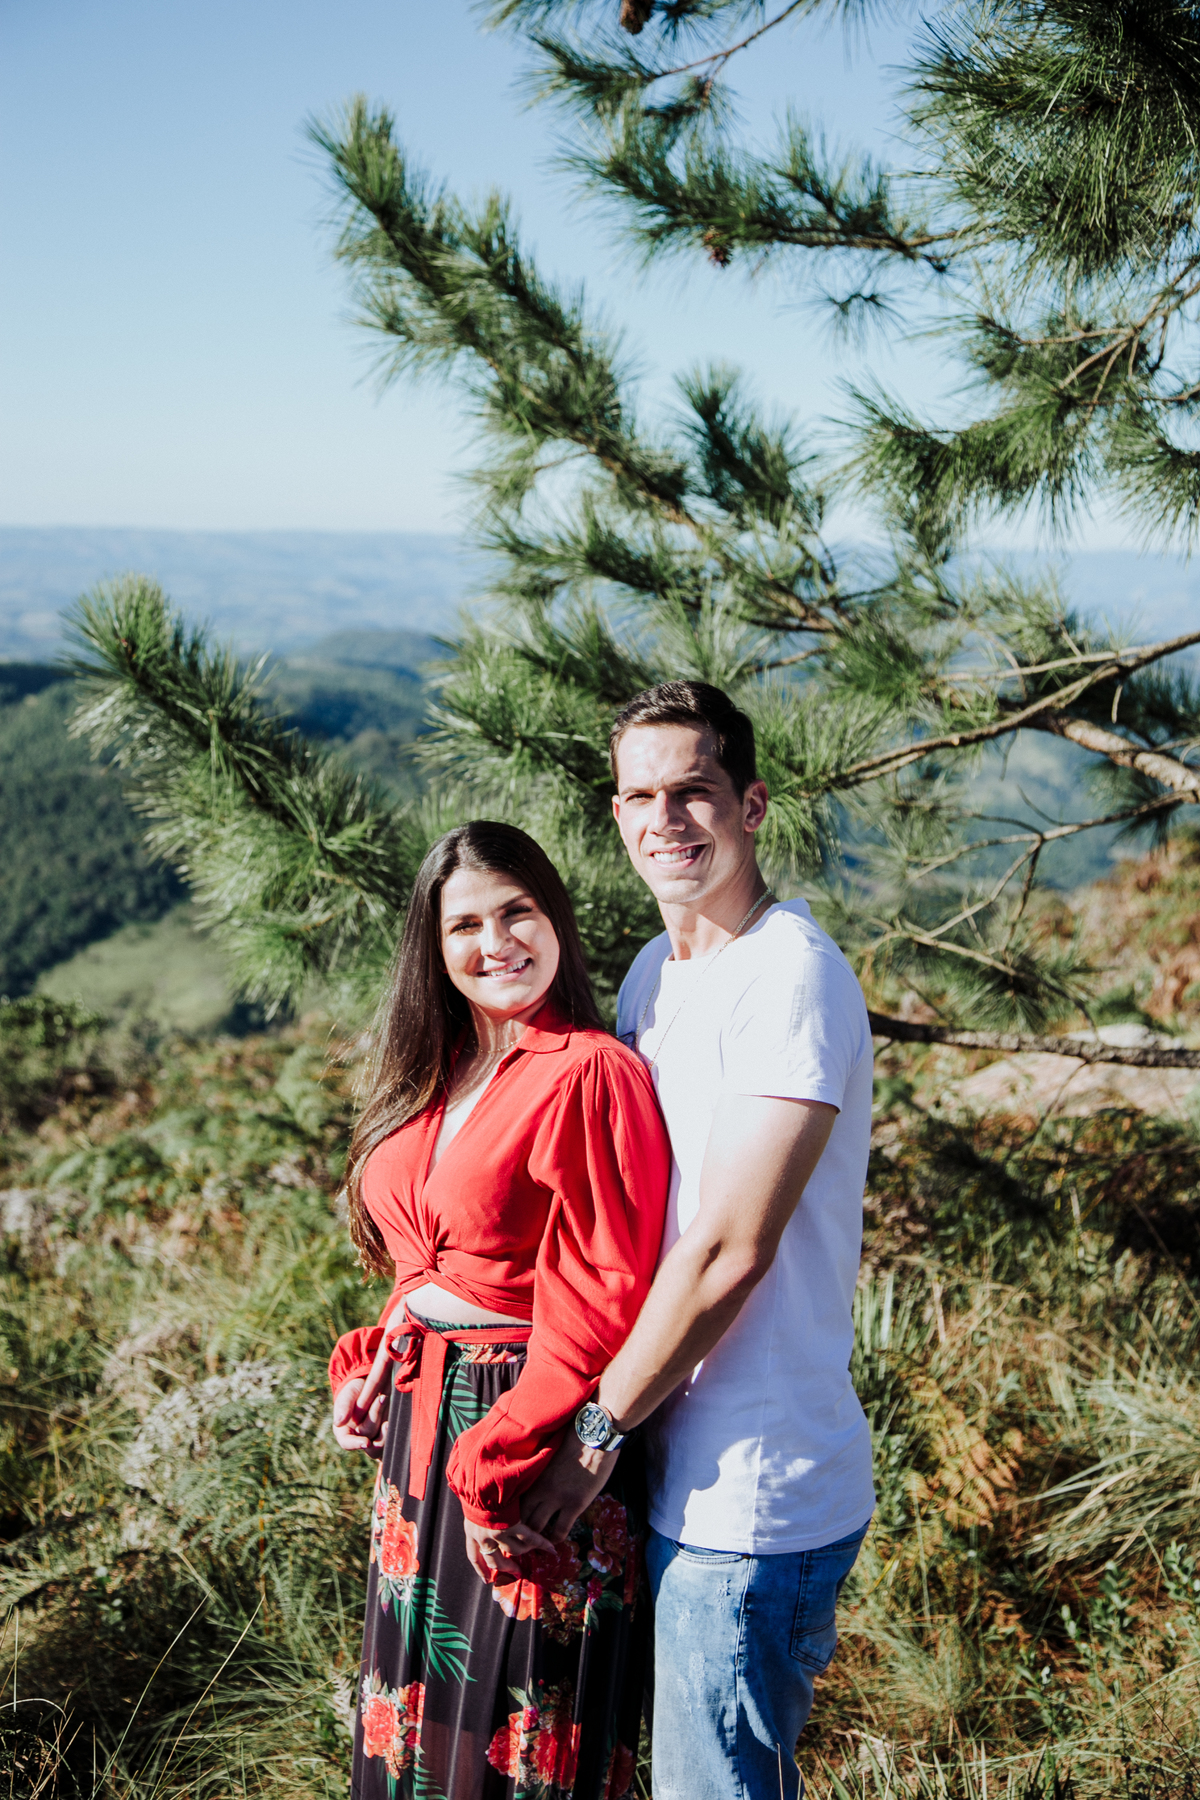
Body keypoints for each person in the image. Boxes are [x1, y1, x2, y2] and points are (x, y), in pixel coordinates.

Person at [521, 681, 876, 1800]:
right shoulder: (655, 973)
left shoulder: (790, 975)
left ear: (751, 805)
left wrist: (595, 1430)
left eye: (694, 791)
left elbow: (728, 1249)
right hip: (670, 1466)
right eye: (640, 796)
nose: (664, 820)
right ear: (616, 814)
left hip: (750, 1496)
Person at [328, 821, 670, 1800]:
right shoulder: (436, 1075)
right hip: (421, 1446)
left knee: (517, 1752)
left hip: (527, 1446)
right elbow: (431, 1265)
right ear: (434, 948)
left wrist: (504, 1458)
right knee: (416, 1749)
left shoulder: (590, 1071)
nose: (496, 943)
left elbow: (604, 1294)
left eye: (517, 912)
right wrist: (370, 1368)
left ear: (555, 918)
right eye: (465, 925)